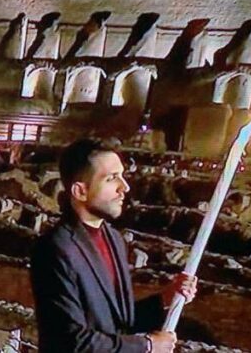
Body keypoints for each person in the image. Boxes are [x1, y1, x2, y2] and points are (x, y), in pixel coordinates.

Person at [30, 139, 198, 353]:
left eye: (122, 175)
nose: (124, 187)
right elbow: (70, 341)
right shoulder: (55, 249)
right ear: (80, 191)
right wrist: (147, 345)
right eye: (111, 179)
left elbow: (118, 323)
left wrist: (165, 299)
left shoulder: (114, 240)